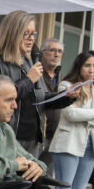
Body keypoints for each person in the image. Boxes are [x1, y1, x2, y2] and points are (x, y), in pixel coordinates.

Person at [0, 10, 74, 158]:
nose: (31, 39)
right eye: (26, 34)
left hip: (32, 140)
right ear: (13, 33)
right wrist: (28, 80)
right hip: (7, 137)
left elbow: (40, 99)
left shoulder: (29, 62)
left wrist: (67, 97)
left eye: (34, 34)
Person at [49, 51, 94, 189]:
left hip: (91, 145)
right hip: (68, 143)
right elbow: (71, 114)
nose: (92, 70)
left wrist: (85, 116)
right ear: (79, 66)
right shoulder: (67, 85)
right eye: (87, 65)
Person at [38, 38, 64, 176]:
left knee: (45, 176)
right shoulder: (36, 74)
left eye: (59, 51)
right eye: (52, 50)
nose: (56, 54)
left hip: (54, 136)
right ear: (42, 53)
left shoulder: (62, 77)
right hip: (37, 134)